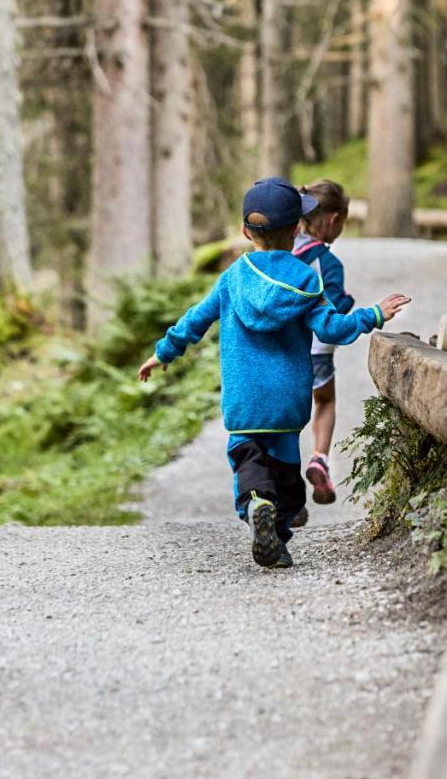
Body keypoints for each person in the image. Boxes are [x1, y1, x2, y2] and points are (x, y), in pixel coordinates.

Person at [138, 178, 409, 569]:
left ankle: (254, 503)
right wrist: (374, 314)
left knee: (249, 459)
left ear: (246, 231)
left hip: (244, 399)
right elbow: (333, 329)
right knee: (285, 475)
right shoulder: (306, 280)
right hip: (287, 401)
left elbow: (195, 320)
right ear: (297, 228)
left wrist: (163, 353)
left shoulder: (232, 278)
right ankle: (277, 537)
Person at [291, 180, 353, 517]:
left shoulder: (284, 252)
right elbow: (337, 309)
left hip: (288, 346)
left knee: (290, 413)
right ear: (332, 220)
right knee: (324, 400)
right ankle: (319, 457)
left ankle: (287, 486)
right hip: (319, 347)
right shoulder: (328, 263)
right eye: (343, 222)